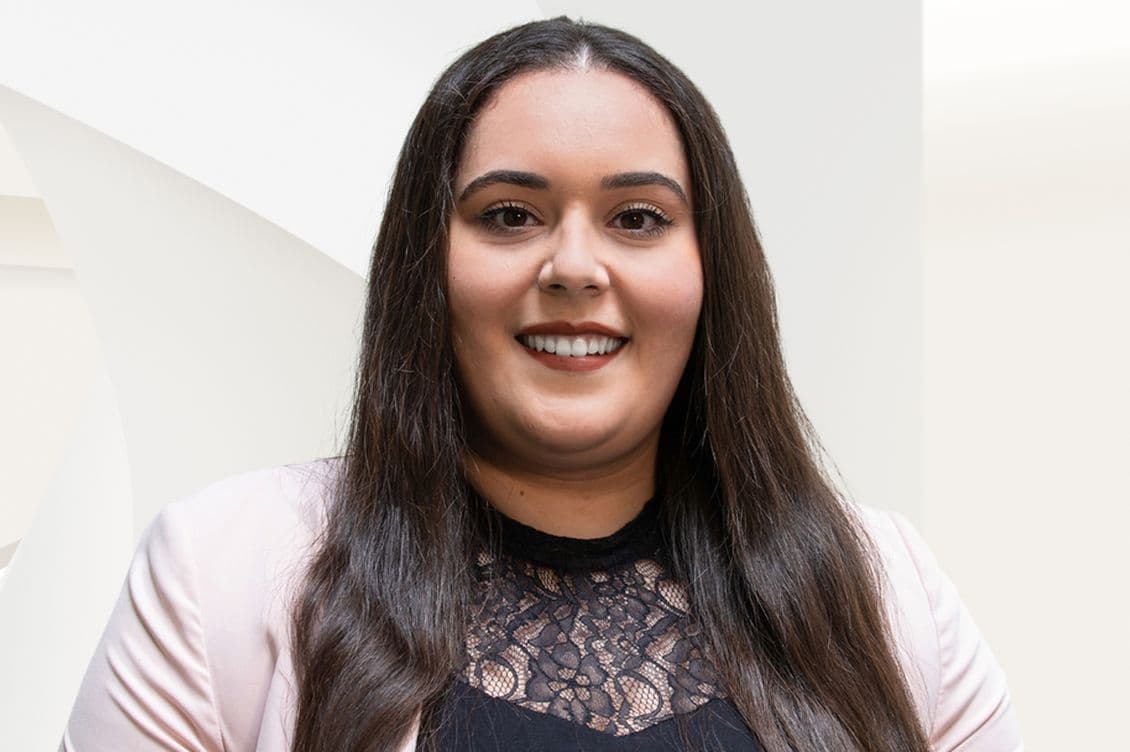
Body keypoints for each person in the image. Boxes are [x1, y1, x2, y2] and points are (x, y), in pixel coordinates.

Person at [60, 15, 1023, 752]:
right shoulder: (216, 575)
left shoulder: (887, 590)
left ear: (710, 271)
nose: (573, 266)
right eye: (511, 214)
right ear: (424, 266)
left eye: (638, 219)